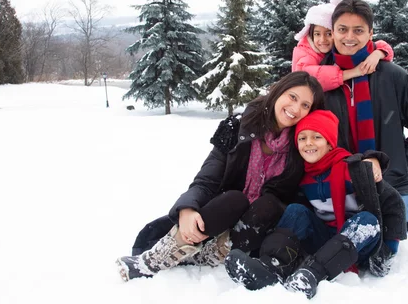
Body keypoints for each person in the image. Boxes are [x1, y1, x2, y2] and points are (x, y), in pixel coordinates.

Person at [116, 71, 325, 282]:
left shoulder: (303, 147)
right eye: (292, 97)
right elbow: (208, 177)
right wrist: (187, 208)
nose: (296, 109)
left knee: (269, 204)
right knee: (235, 198)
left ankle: (211, 253)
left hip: (255, 231)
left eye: (306, 105)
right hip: (219, 215)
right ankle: (157, 257)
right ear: (278, 91)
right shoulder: (236, 128)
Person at [225, 110, 407, 299]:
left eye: (317, 137)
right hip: (326, 240)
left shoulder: (354, 170)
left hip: (360, 244)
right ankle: (271, 267)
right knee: (296, 210)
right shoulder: (304, 176)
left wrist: (389, 249)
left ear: (329, 143)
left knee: (367, 220)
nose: (308, 143)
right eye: (302, 138)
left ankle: (313, 275)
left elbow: (394, 204)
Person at [320, 0, 408, 239]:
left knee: (397, 248)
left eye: (358, 30)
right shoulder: (321, 81)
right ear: (332, 32)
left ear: (371, 33)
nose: (349, 37)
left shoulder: (392, 76)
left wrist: (401, 160)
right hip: (342, 186)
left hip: (393, 182)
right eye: (342, 29)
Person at [292, 0, 394, 92]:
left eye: (327, 34)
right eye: (317, 34)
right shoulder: (307, 52)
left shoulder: (395, 76)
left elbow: (382, 46)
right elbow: (309, 78)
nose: (322, 40)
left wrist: (378, 54)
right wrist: (352, 72)